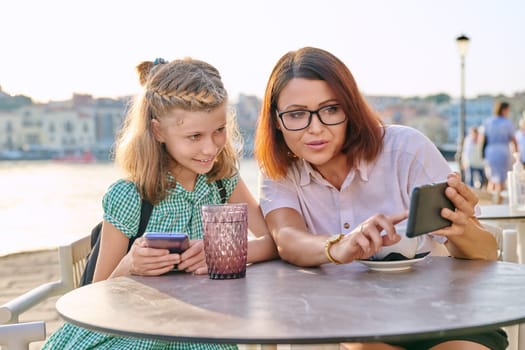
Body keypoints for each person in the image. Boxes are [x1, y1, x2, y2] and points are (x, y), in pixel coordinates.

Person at [254, 47, 507, 350]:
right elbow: (288, 238)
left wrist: (461, 227)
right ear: (277, 121)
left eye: (331, 109)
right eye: (297, 114)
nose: (316, 127)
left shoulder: (406, 149)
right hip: (357, 321)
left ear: (350, 109)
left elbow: (486, 253)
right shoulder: (279, 172)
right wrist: (341, 244)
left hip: (444, 313)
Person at [42, 57, 277, 350]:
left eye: (219, 130)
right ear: (158, 131)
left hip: (198, 331)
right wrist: (130, 264)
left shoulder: (222, 180)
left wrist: (221, 253)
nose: (210, 147)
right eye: (194, 136)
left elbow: (275, 241)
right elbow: (96, 300)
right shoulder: (131, 196)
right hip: (127, 332)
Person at [481, 101, 517, 199]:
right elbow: (513, 140)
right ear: (504, 110)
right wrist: (517, 154)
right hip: (502, 151)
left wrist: (482, 155)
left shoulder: (488, 121)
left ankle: (489, 201)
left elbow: (483, 139)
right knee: (501, 180)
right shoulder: (507, 123)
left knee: (492, 179)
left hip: (490, 151)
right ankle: (499, 202)